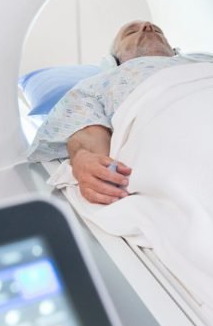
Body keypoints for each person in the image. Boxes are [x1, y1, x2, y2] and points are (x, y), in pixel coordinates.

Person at [27, 20, 194, 204]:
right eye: (131, 32)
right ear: (113, 60)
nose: (148, 27)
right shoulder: (98, 84)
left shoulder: (209, 61)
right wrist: (84, 159)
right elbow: (88, 137)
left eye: (157, 30)